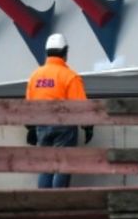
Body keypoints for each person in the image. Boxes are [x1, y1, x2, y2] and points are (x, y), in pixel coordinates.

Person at [24, 33, 93, 188]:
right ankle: (58, 200)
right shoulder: (70, 76)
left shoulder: (35, 76)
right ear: (64, 52)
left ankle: (45, 203)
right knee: (63, 165)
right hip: (64, 128)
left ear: (47, 52)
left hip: (41, 126)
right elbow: (81, 106)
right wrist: (88, 126)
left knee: (46, 166)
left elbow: (28, 105)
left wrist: (31, 127)